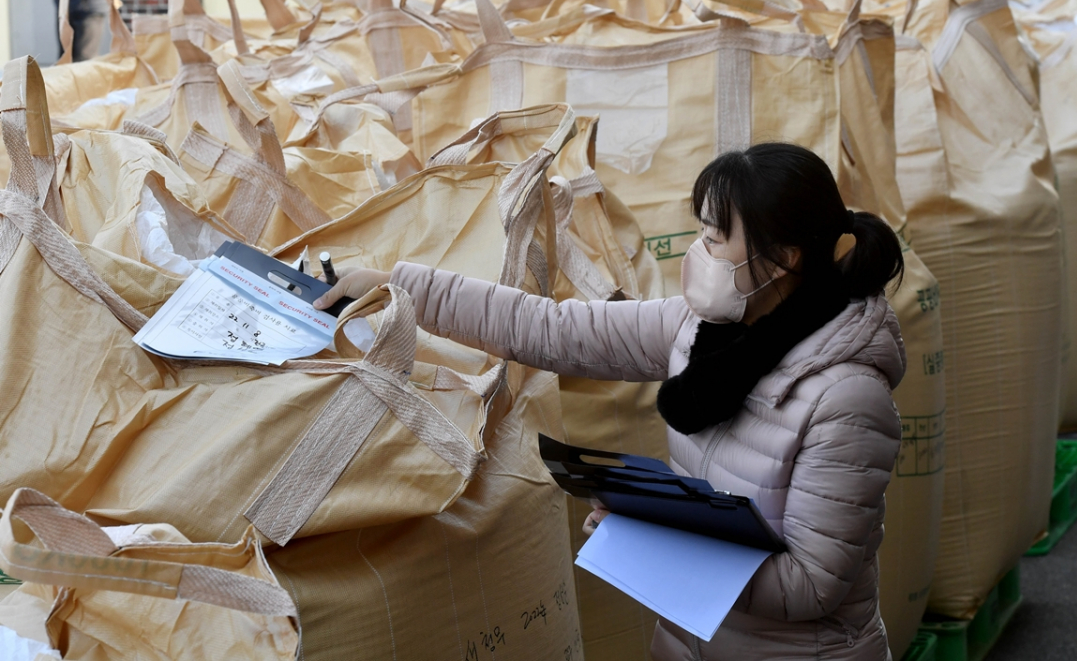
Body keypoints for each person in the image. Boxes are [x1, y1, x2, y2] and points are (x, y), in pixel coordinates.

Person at [315, 143, 906, 661]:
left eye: (714, 238)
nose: (698, 254)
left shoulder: (846, 399)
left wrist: (647, 543)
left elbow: (811, 585)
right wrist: (401, 288)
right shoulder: (700, 330)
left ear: (784, 258)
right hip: (691, 641)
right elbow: (550, 330)